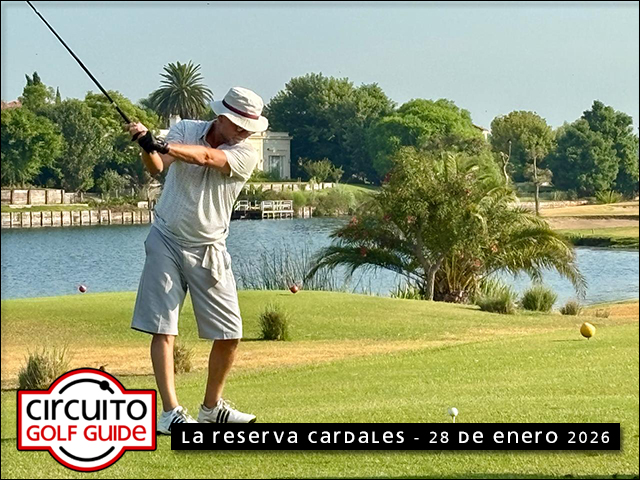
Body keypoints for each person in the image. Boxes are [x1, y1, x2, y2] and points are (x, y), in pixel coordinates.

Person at [127, 87, 268, 433]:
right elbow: (157, 167)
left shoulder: (245, 153)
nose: (243, 132)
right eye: (238, 125)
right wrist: (147, 145)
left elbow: (206, 158)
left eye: (248, 127)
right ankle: (170, 412)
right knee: (163, 328)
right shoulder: (186, 129)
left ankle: (211, 408)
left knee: (230, 333)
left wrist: (161, 144)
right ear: (220, 117)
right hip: (166, 238)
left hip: (209, 246)